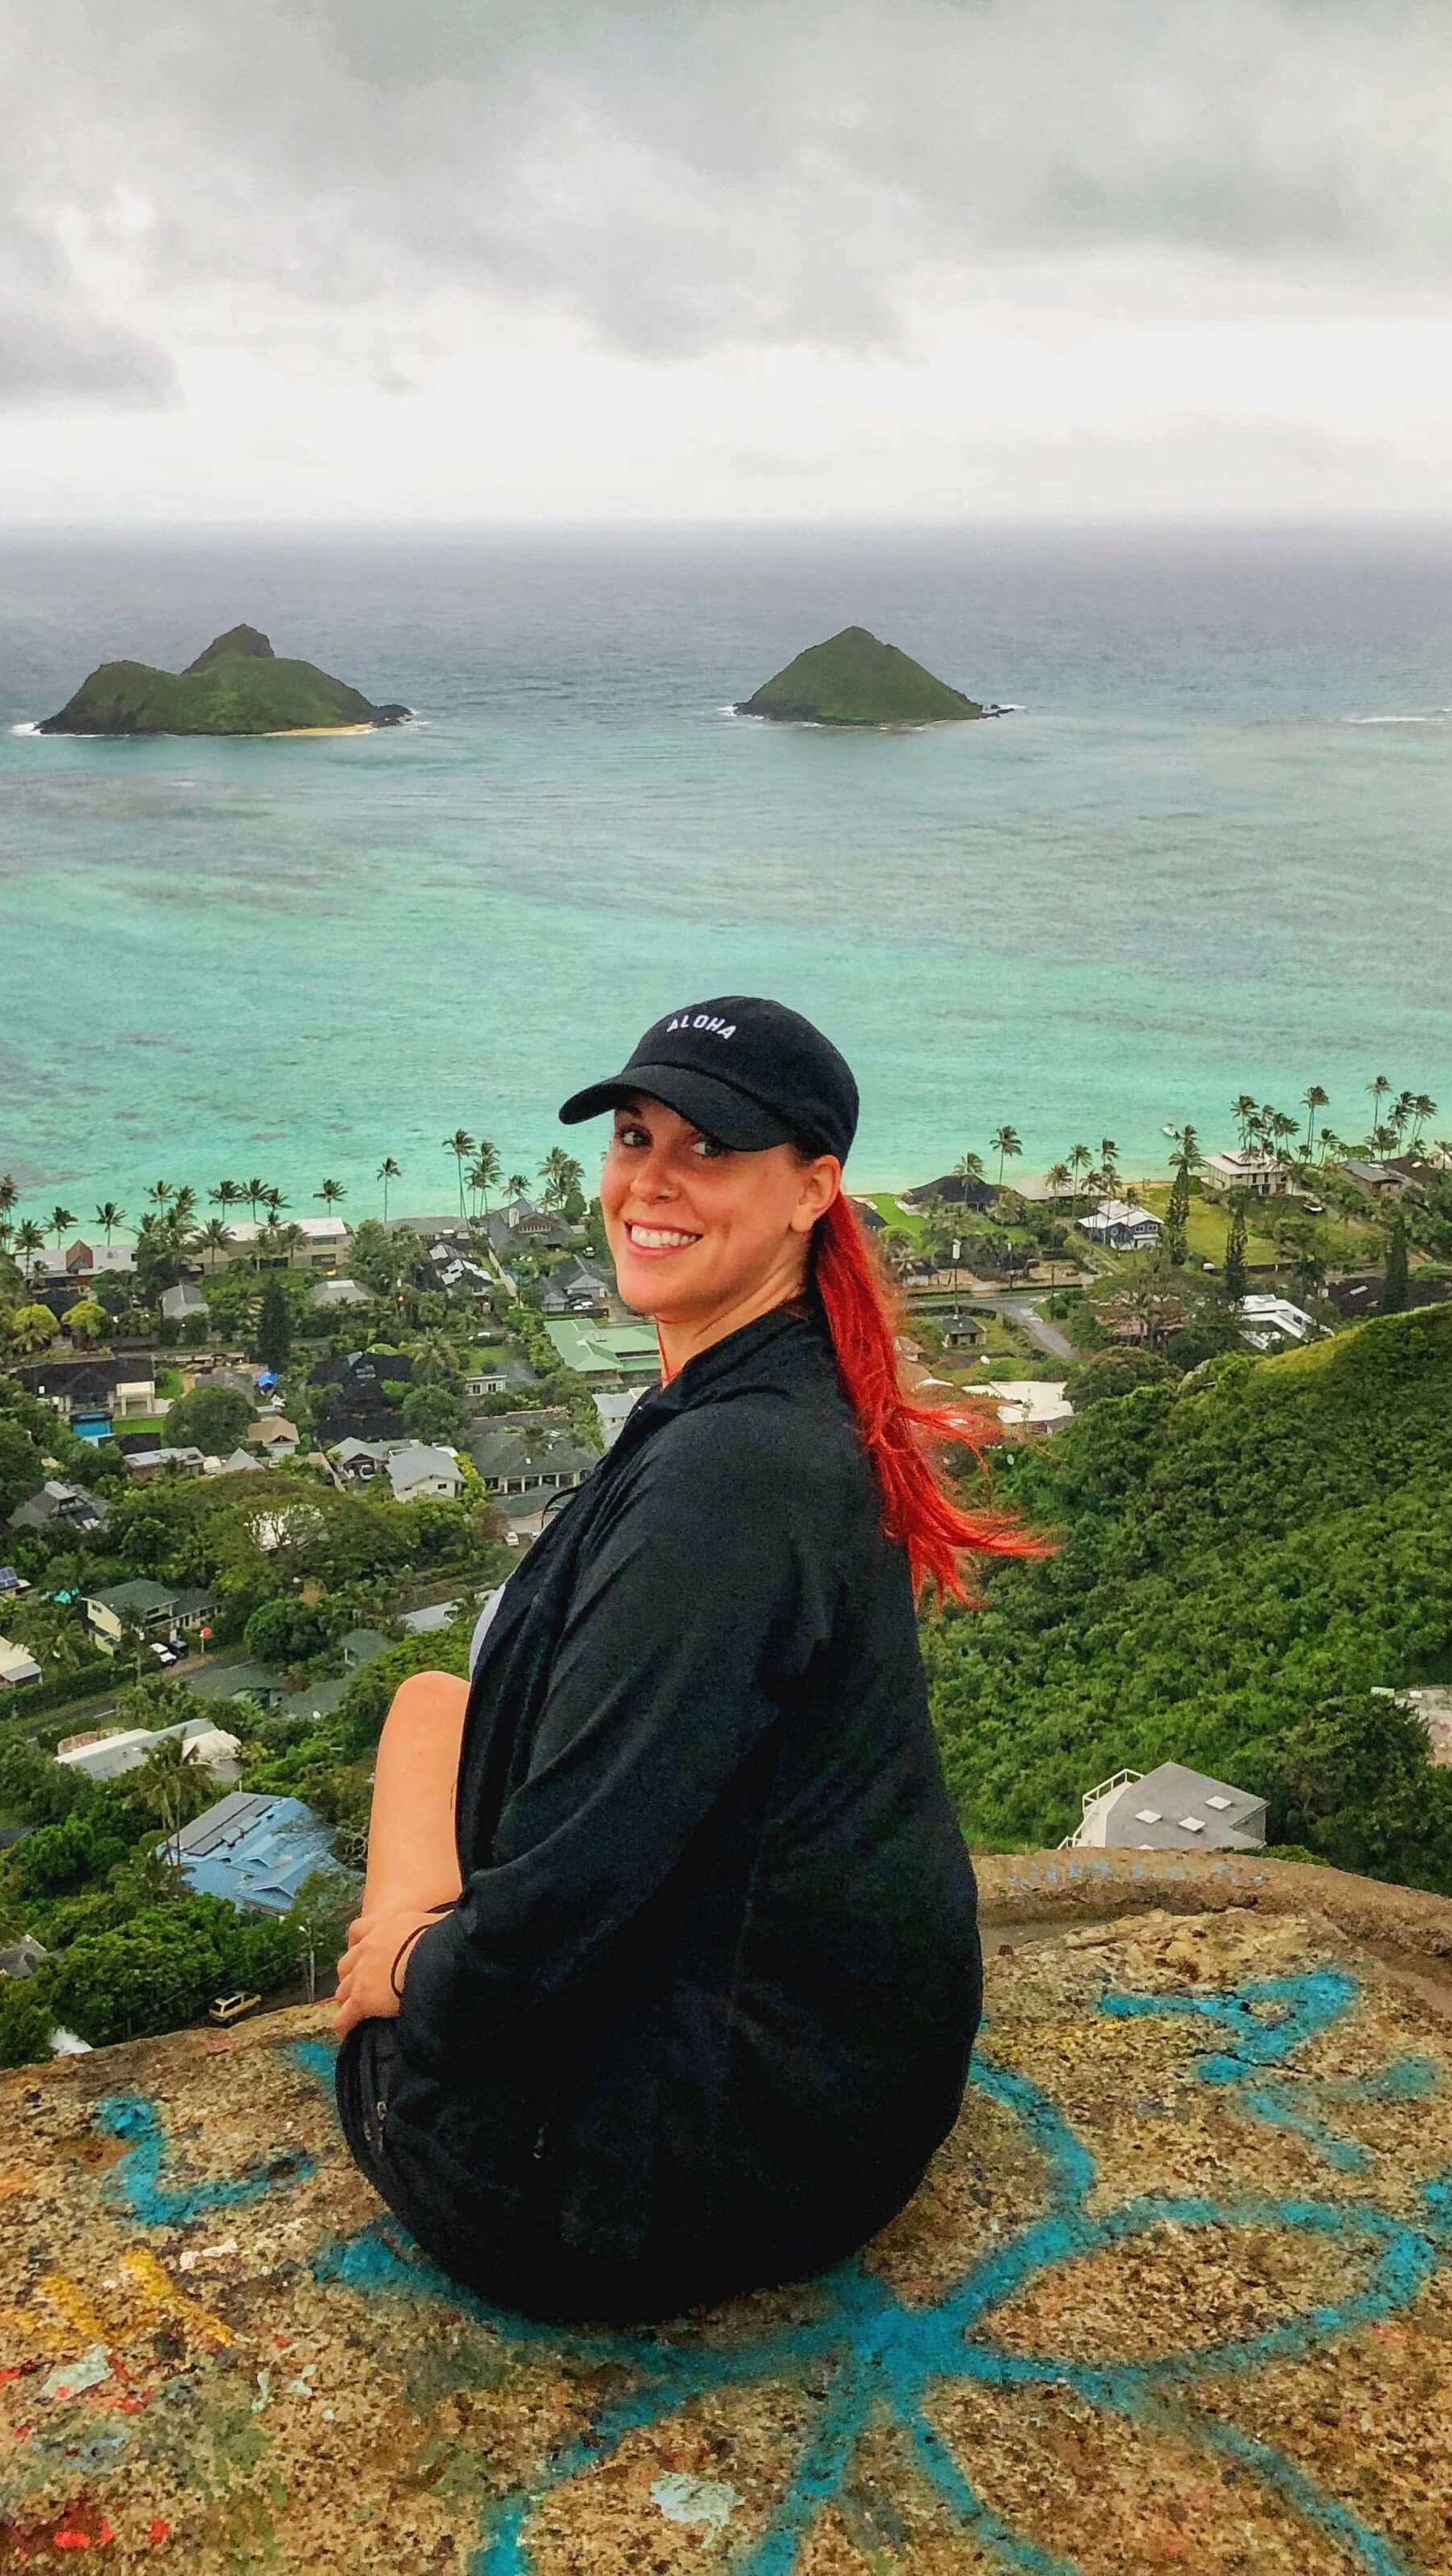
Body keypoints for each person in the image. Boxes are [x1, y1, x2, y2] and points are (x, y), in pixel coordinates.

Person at [331, 995, 1045, 2322]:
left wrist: (413, 1973)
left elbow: (567, 1895)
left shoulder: (731, 1486)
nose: (650, 1182)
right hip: (834, 2093)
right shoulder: (769, 1393)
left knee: (398, 1979)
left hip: (670, 2182)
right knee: (431, 1704)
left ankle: (393, 1952)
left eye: (709, 1149)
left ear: (810, 1191)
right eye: (634, 1137)